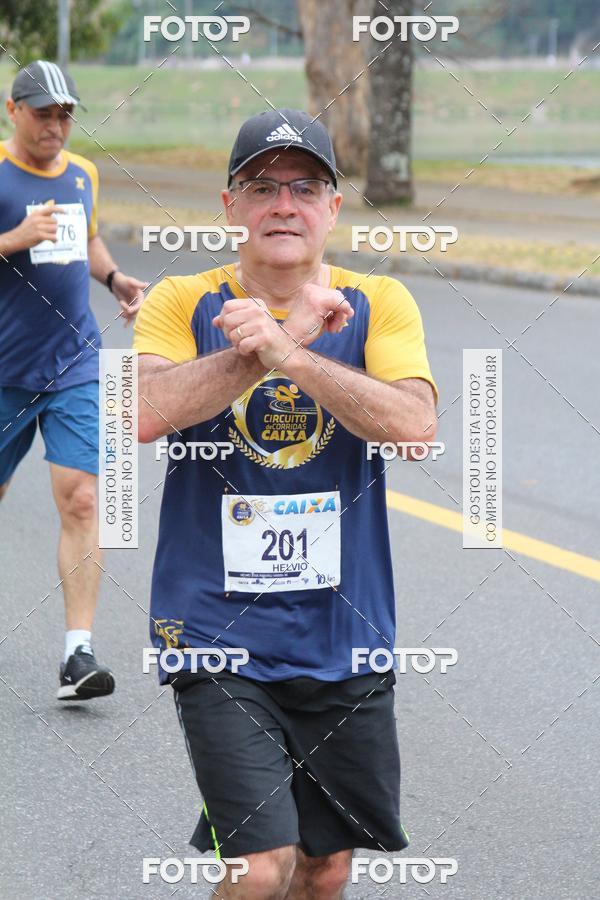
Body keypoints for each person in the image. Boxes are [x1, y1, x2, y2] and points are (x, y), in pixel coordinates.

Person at [134, 108, 438, 899]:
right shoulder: (184, 299)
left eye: (306, 186)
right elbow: (135, 414)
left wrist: (290, 352)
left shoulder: (378, 303)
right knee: (259, 863)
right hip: (215, 632)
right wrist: (253, 352)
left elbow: (413, 424)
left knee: (325, 866)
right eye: (261, 186)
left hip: (346, 633)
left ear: (333, 208)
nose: (283, 204)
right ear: (229, 205)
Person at [0, 60, 148, 700]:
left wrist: (114, 278)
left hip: (73, 363)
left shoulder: (84, 173)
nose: (56, 125)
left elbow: (86, 242)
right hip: (4, 370)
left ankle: (77, 654)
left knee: (84, 499)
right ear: (14, 111)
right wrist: (14, 237)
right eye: (43, 112)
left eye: (65, 113)